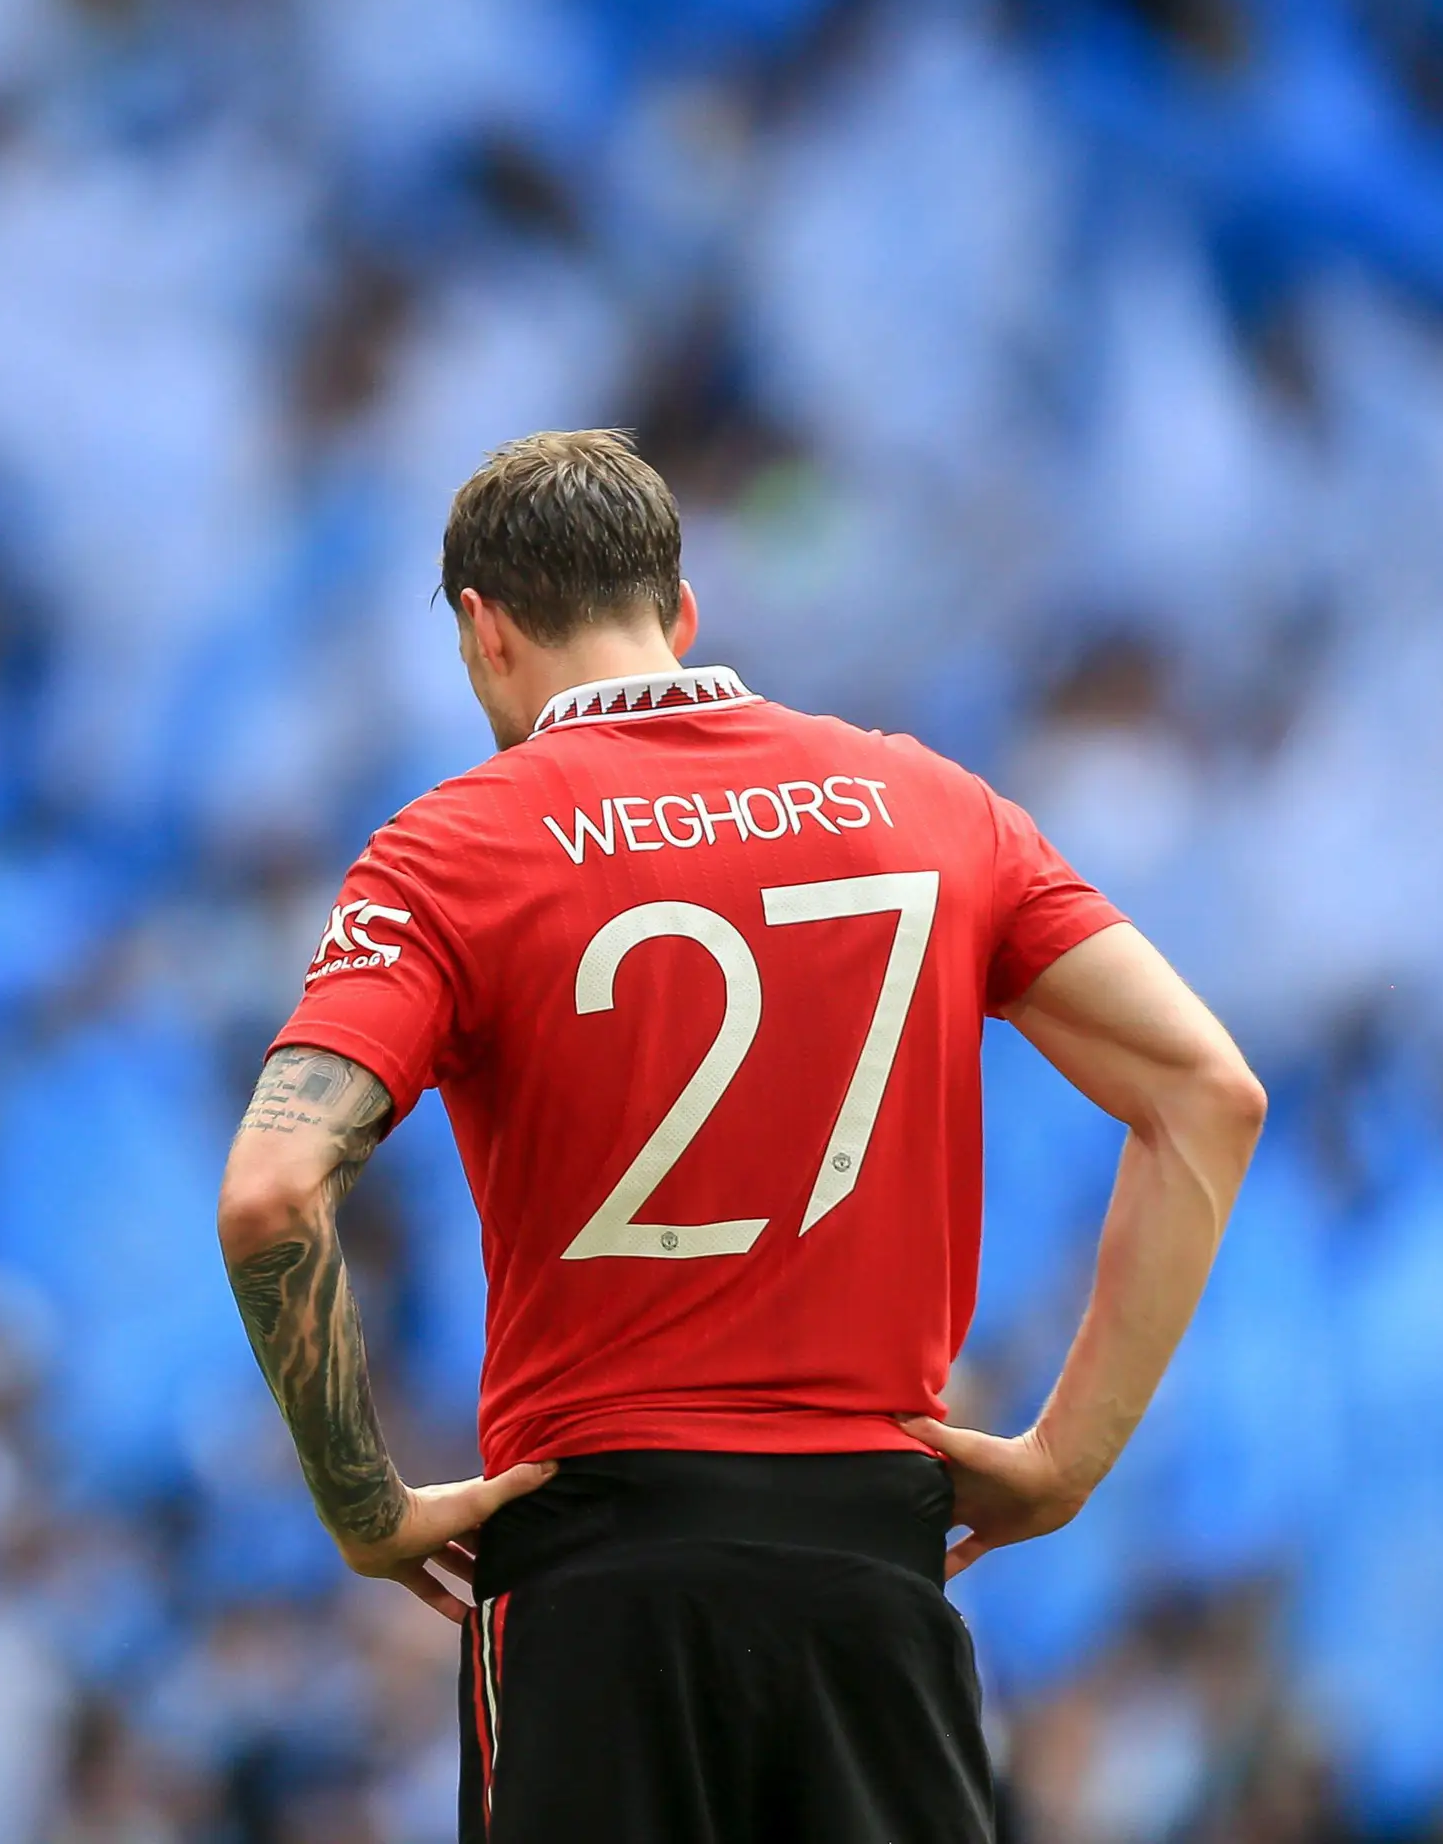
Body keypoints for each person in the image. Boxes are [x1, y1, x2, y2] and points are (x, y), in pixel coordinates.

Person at [216, 430, 1264, 1843]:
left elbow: (273, 1194)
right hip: (872, 1575)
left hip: (600, 1584)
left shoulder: (450, 853)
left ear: (484, 633)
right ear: (682, 611)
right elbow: (1209, 1091)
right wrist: (1069, 1454)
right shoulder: (929, 806)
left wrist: (361, 1500)